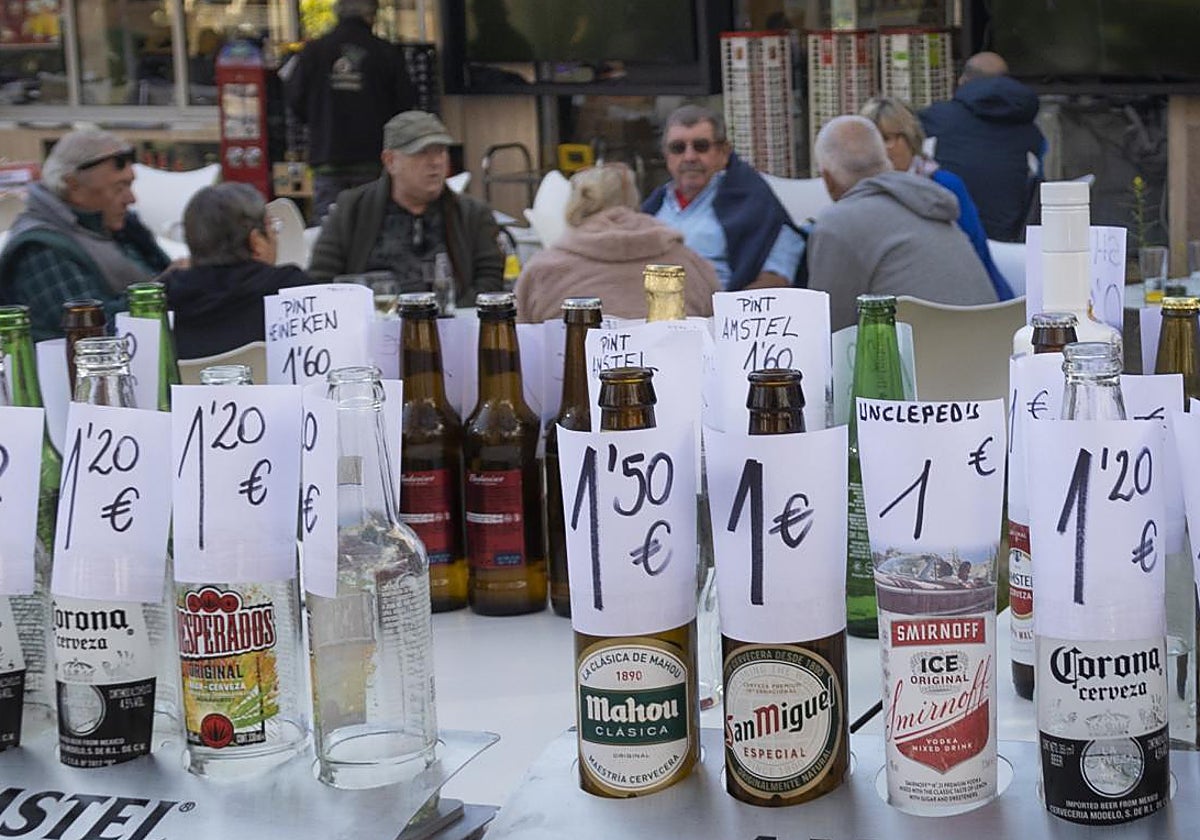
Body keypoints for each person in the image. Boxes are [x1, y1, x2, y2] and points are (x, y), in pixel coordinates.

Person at [807, 115, 997, 331]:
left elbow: (828, 331)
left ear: (828, 179)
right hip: (993, 353)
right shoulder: (929, 201)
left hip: (922, 360)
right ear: (886, 161)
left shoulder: (837, 224)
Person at [307, 110, 503, 307]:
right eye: (422, 153)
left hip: (451, 326)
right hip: (372, 327)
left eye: (441, 151)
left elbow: (490, 281)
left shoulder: (473, 214)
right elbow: (321, 281)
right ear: (390, 161)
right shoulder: (352, 209)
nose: (435, 162)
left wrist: (442, 320)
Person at [0, 129, 171, 341]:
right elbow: (90, 331)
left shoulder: (119, 227)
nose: (131, 198)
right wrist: (171, 285)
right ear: (73, 185)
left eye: (129, 184)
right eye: (119, 188)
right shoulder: (41, 247)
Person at [515, 163, 719, 323]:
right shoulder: (689, 262)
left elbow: (522, 342)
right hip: (673, 373)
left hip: (572, 374)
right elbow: (718, 329)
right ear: (634, 200)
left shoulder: (541, 270)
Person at [861, 96, 1013, 301]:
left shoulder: (945, 186)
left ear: (910, 138)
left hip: (965, 302)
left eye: (886, 138)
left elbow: (977, 252)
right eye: (872, 141)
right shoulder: (861, 195)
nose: (878, 149)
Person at [642, 104, 804, 292]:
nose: (689, 156)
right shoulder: (652, 209)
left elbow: (778, 275)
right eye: (678, 148)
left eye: (701, 146)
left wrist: (730, 310)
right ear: (666, 155)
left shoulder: (754, 203)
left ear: (724, 153)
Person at [283, 0, 415, 222]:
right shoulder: (386, 53)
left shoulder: (314, 51)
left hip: (328, 156)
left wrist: (319, 122)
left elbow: (294, 99)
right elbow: (404, 104)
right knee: (374, 228)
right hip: (373, 158)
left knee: (329, 230)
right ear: (372, 16)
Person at [164, 183, 311, 359]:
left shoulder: (159, 301)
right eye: (273, 229)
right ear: (256, 241)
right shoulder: (293, 292)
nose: (275, 237)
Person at [919, 51, 1046, 242]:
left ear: (963, 80)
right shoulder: (1033, 135)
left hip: (947, 242)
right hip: (1010, 247)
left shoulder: (934, 120)